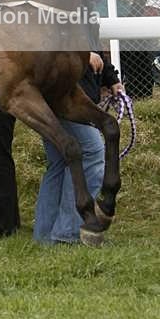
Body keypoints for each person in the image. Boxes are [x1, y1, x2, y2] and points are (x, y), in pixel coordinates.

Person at [34, 52, 121, 244]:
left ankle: (45, 235)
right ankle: (68, 233)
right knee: (93, 151)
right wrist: (82, 54)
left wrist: (110, 77)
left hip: (51, 92)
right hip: (65, 95)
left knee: (58, 162)